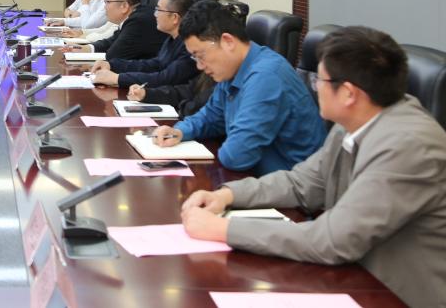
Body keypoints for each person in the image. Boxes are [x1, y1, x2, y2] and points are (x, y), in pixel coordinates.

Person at [180, 26, 446, 308]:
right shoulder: (354, 122)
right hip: (353, 276)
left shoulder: (407, 145)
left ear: (348, 93)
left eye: (320, 81)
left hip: (394, 294)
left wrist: (224, 229)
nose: (315, 87)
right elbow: (301, 183)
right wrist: (227, 195)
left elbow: (333, 239)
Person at [152, 0, 326, 175]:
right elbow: (212, 116)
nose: (199, 66)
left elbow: (236, 156)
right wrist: (179, 131)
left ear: (227, 41)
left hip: (290, 185)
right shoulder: (233, 69)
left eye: (200, 55)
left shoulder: (266, 77)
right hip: (257, 178)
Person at [89, 0, 196, 89]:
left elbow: (164, 79)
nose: (155, 15)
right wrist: (112, 65)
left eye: (159, 10)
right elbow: (155, 64)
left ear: (174, 17)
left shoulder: (189, 46)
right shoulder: (172, 38)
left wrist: (117, 78)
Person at [65, 0, 167, 60]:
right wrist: (86, 48)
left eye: (108, 1)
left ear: (124, 6)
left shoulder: (138, 22)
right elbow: (112, 41)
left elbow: (113, 55)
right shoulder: (133, 16)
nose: (105, 7)